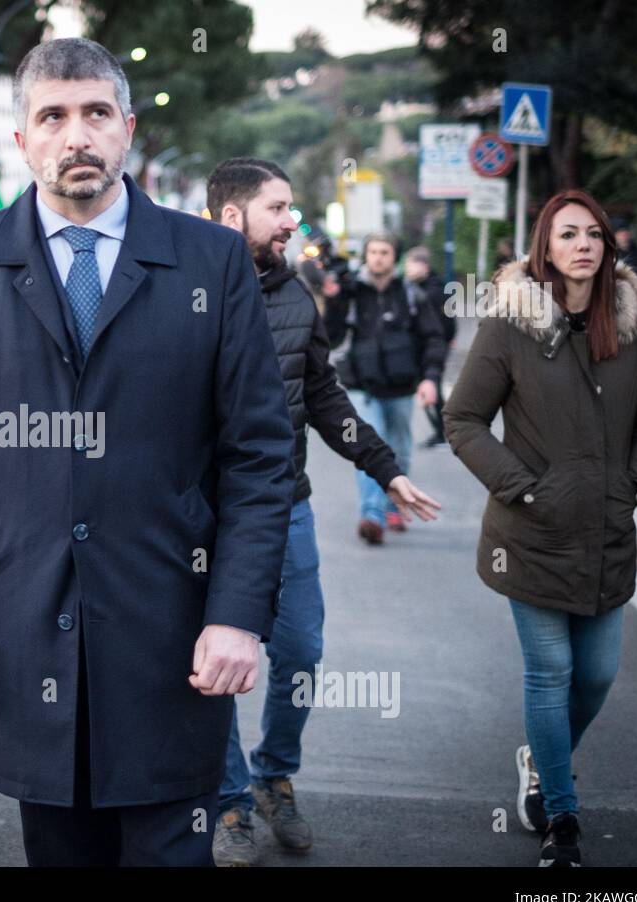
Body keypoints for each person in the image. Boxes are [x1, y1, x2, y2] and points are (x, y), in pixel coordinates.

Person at [0, 37, 296, 867]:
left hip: (173, 639)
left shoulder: (210, 260)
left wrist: (237, 615)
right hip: (27, 635)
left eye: (96, 114)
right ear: (22, 141)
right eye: (53, 116)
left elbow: (257, 458)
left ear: (128, 128)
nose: (77, 135)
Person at [206, 158, 442, 865]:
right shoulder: (183, 293)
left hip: (287, 509)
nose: (291, 223)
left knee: (301, 653)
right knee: (213, 663)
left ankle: (274, 772)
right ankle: (227, 801)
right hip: (203, 518)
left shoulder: (300, 298)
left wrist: (386, 469)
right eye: (278, 209)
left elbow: (326, 399)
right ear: (231, 216)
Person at [443, 189, 637, 867]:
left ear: (607, 247)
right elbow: (462, 421)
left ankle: (541, 757)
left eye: (595, 234)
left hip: (607, 531)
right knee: (551, 673)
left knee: (598, 675)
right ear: (545, 246)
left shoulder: (634, 327)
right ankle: (561, 821)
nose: (583, 245)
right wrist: (522, 488)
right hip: (531, 535)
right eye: (568, 234)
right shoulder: (511, 326)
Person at [322, 232, 445, 544]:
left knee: (400, 452)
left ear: (395, 257)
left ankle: (393, 505)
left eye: (384, 252)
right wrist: (334, 302)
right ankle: (372, 515)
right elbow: (331, 337)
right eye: (373, 251)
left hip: (402, 387)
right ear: (366, 255)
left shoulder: (411, 294)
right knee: (369, 444)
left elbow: (433, 337)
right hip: (360, 385)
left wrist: (430, 378)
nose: (377, 257)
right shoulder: (351, 291)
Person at [403, 245, 453, 448]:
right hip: (422, 345)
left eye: (411, 265)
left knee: (432, 386)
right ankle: (441, 429)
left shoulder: (434, 289)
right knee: (429, 387)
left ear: (423, 266)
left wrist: (449, 339)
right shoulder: (416, 287)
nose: (408, 270)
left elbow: (448, 318)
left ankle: (444, 429)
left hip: (434, 345)